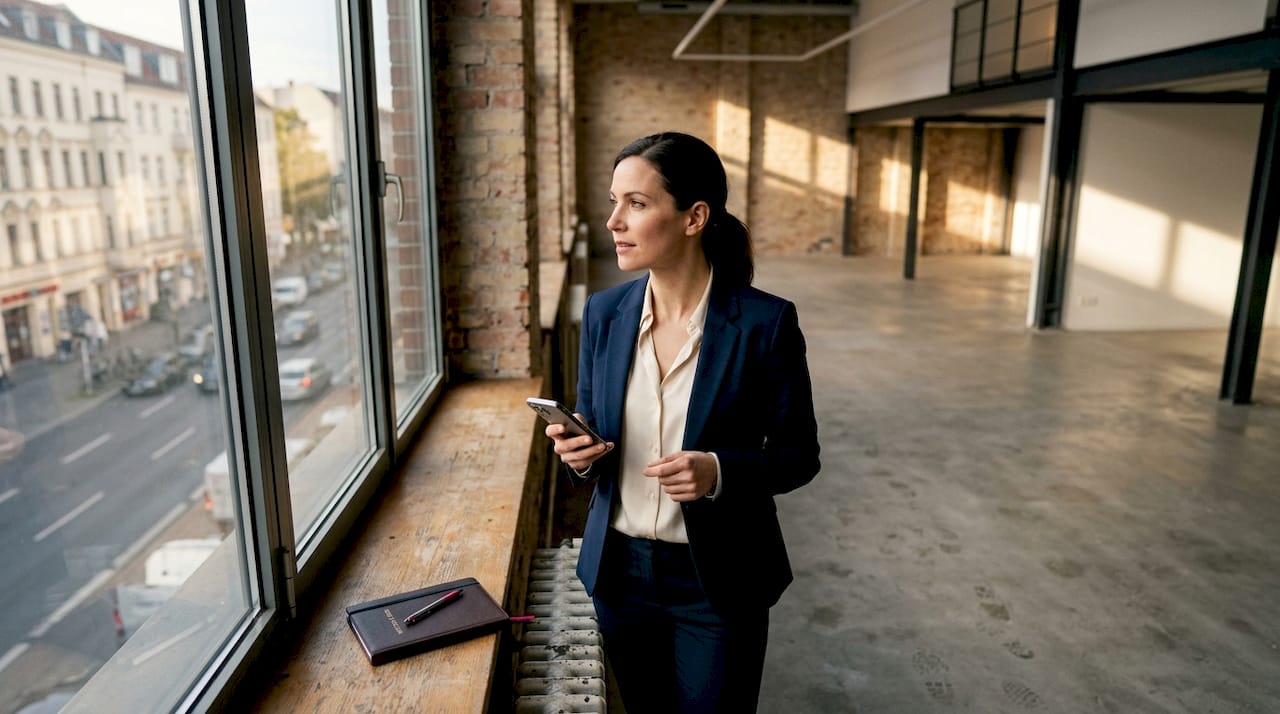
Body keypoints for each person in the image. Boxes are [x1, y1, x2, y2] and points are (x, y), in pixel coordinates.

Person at [544, 132, 821, 713]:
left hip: (716, 582)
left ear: (695, 217)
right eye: (614, 201)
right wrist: (580, 455)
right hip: (619, 575)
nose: (614, 220)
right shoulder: (604, 313)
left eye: (637, 204)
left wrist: (718, 472)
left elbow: (799, 454)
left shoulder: (765, 324)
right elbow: (591, 439)